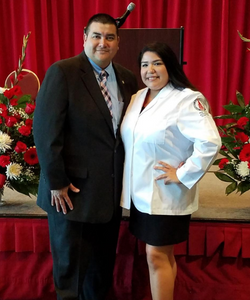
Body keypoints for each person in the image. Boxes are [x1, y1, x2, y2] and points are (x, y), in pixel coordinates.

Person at [33, 13, 138, 300]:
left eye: (109, 37)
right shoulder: (63, 72)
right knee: (71, 275)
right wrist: (57, 182)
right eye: (96, 35)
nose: (102, 42)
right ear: (85, 38)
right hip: (71, 194)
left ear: (118, 42)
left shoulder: (129, 80)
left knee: (100, 274)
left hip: (110, 195)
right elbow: (45, 132)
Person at [120, 42, 221, 300]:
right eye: (144, 65)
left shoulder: (186, 99)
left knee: (156, 256)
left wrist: (183, 173)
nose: (150, 70)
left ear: (170, 66)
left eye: (157, 63)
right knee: (159, 255)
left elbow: (210, 142)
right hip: (140, 195)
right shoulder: (137, 98)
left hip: (166, 193)